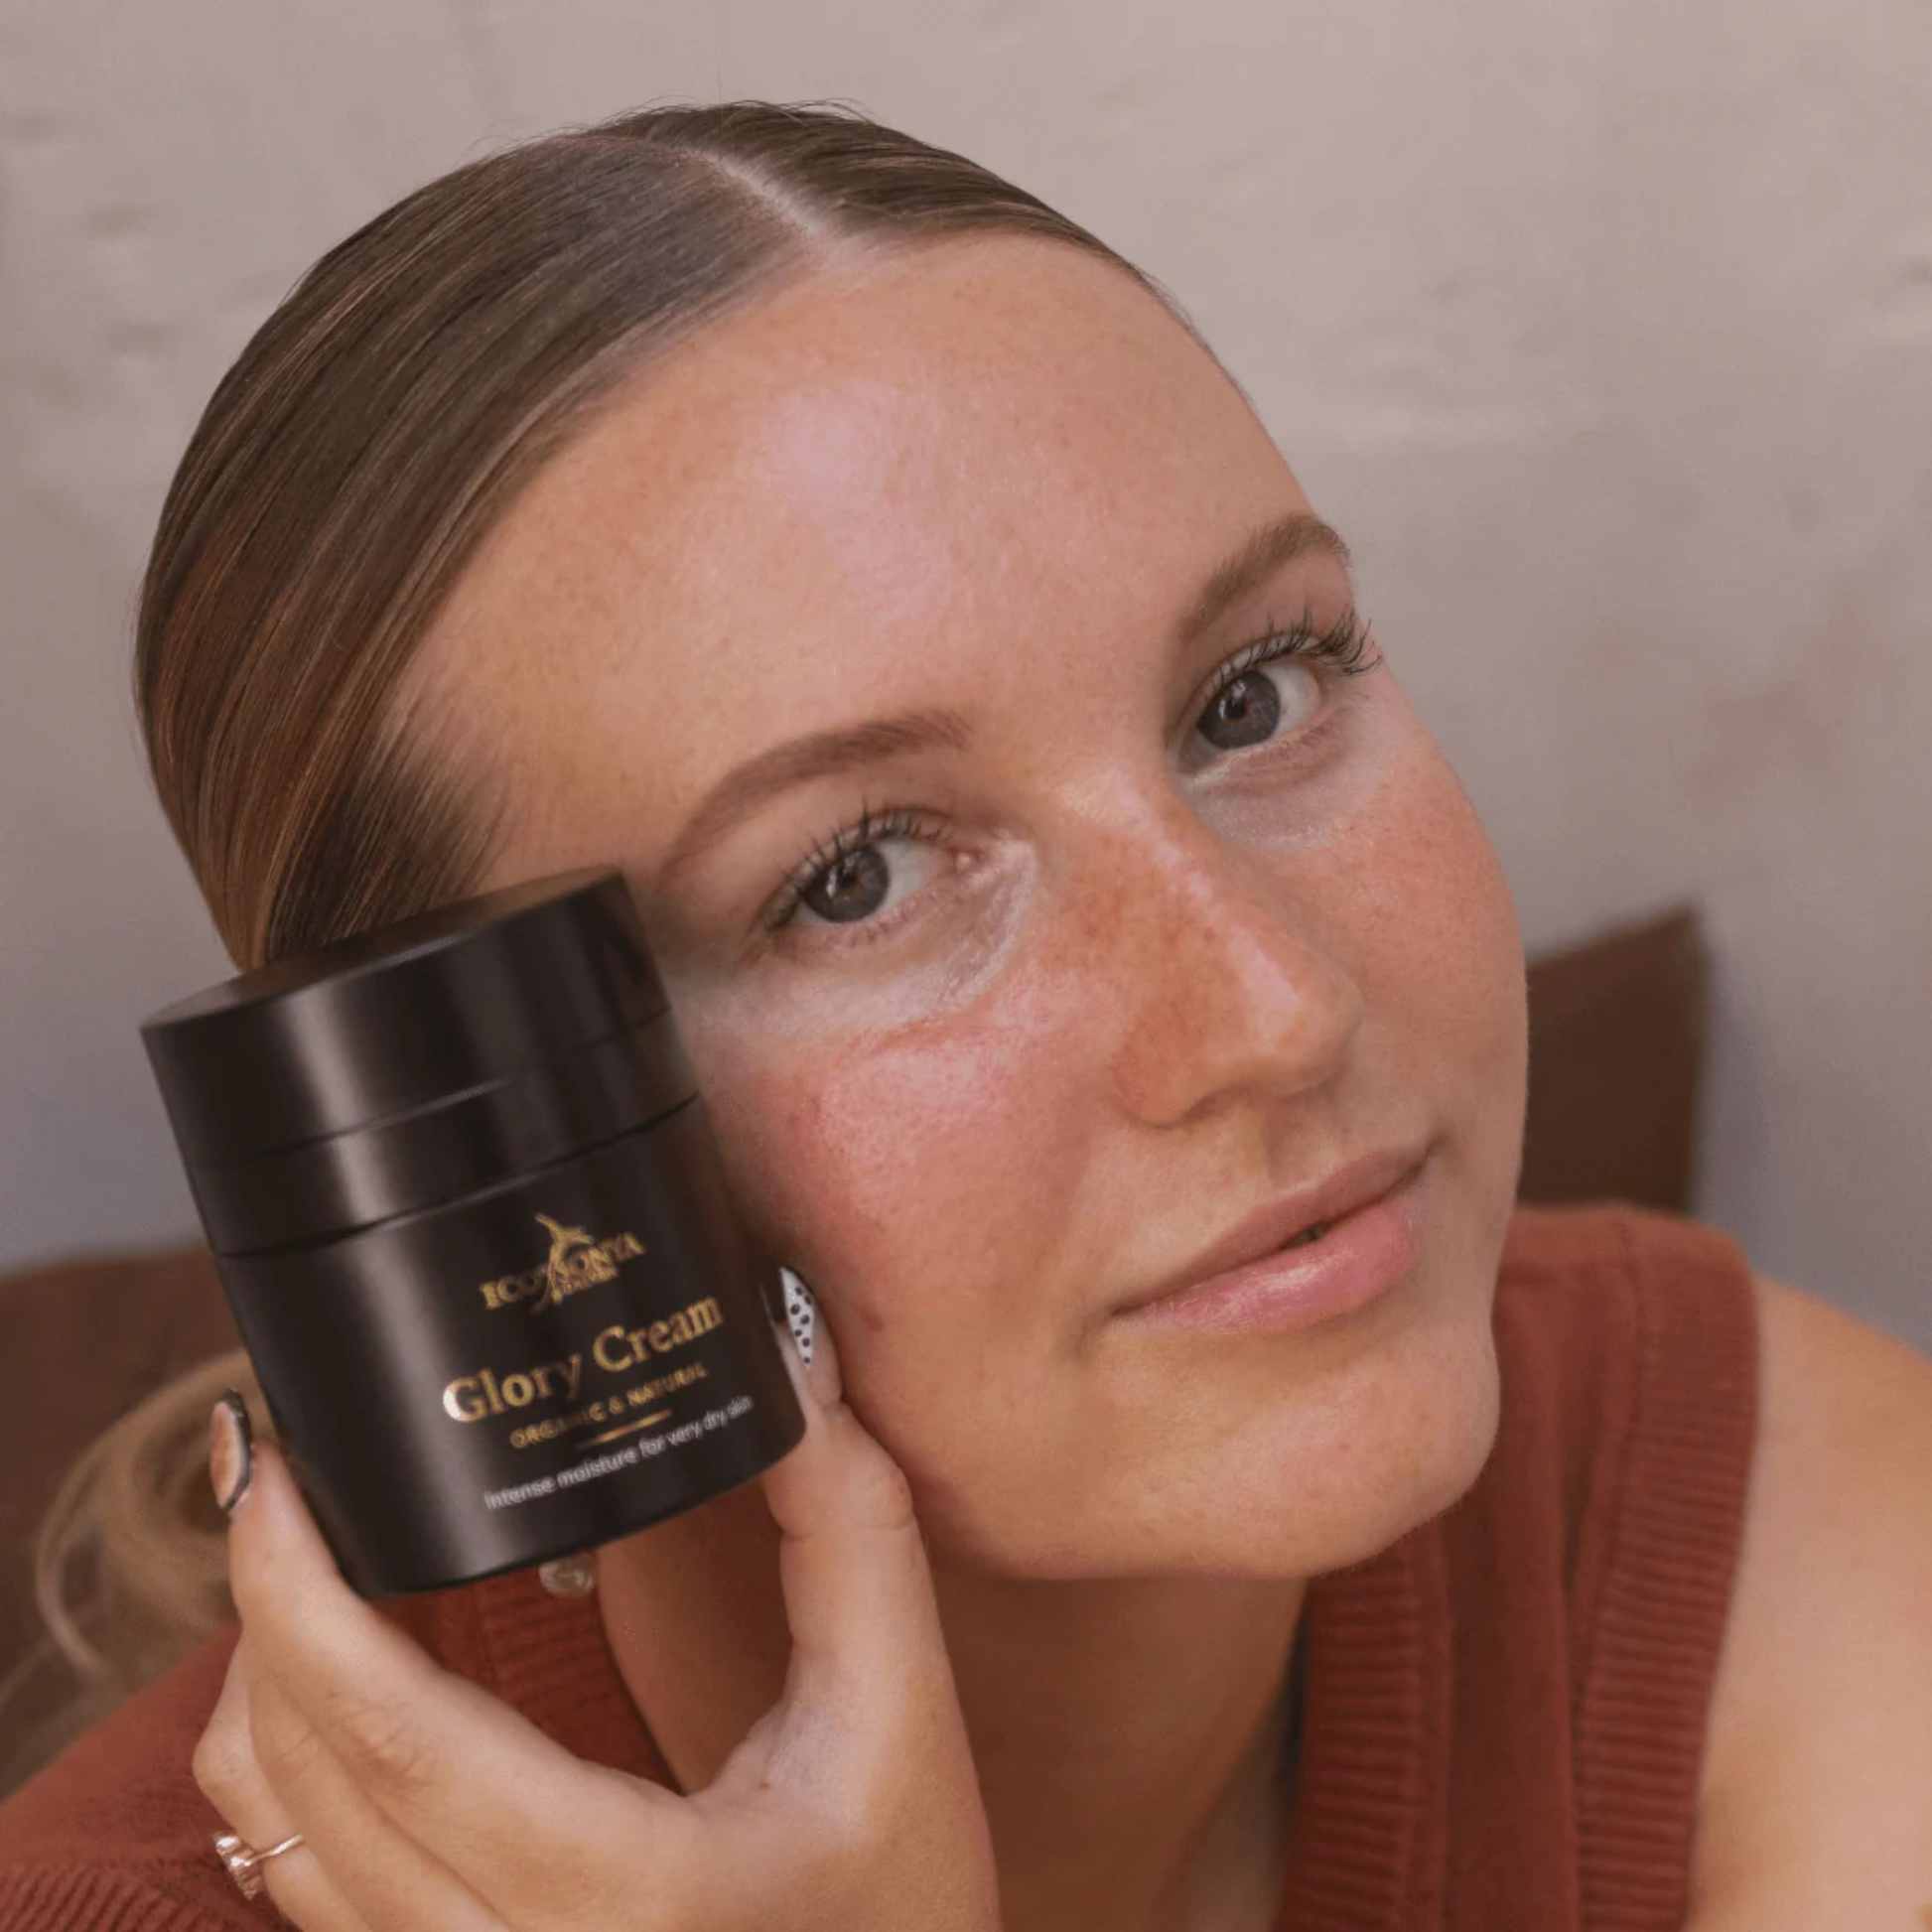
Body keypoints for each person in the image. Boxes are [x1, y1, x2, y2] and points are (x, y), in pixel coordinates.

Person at [1, 99, 1928, 1932]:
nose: (1273, 1008)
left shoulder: (1759, 1509)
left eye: (1253, 693)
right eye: (856, 875)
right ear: (452, 1143)